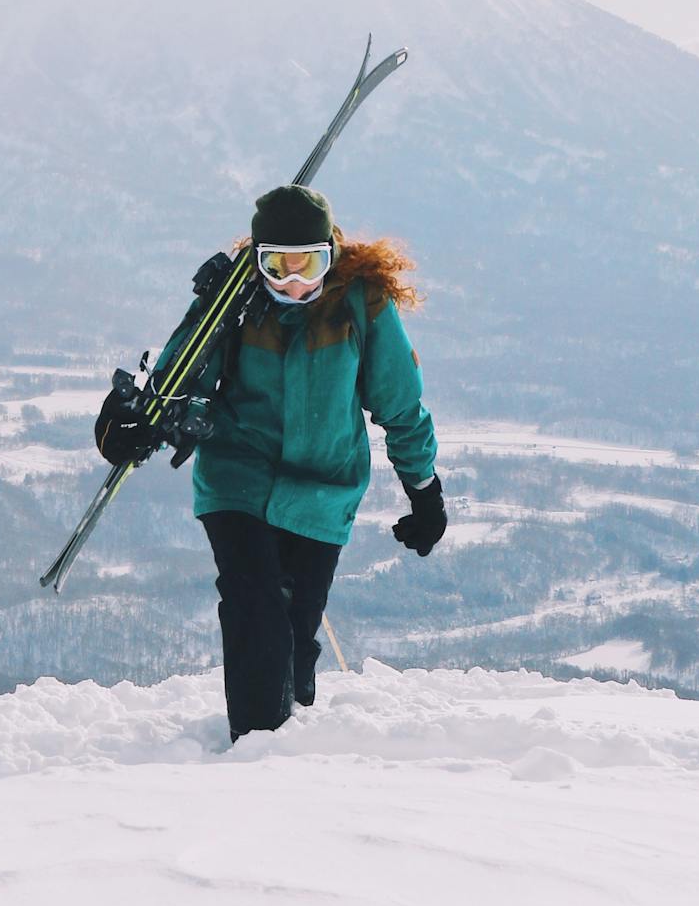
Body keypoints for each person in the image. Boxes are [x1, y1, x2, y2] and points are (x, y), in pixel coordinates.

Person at [96, 182, 446, 741]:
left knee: (293, 626)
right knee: (252, 603)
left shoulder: (361, 304)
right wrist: (134, 423)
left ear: (330, 255)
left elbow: (401, 404)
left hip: (323, 490)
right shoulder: (232, 303)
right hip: (239, 477)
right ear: (256, 260)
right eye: (276, 265)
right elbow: (180, 373)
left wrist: (424, 490)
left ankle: (290, 703)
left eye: (308, 264)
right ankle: (255, 750)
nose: (292, 281)